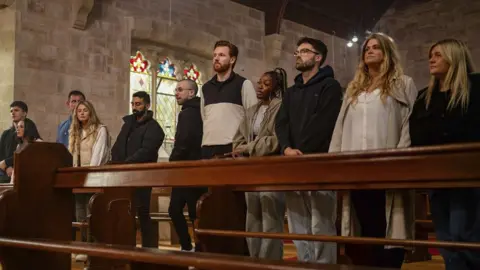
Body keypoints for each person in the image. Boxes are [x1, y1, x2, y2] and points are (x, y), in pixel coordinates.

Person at [329, 32, 417, 268]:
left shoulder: (403, 83)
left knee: (388, 226)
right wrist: (334, 161)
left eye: (376, 47)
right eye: (367, 47)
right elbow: (340, 126)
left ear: (387, 52)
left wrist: (400, 155)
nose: (369, 50)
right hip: (356, 168)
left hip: (389, 166)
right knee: (364, 228)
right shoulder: (354, 88)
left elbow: (410, 123)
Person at [409, 38, 480, 270]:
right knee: (445, 237)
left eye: (438, 55)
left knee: (464, 234)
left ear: (455, 57)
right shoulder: (424, 96)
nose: (431, 59)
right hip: (437, 175)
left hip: (469, 174)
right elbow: (416, 132)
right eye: (431, 55)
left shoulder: (476, 88)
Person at [275, 37, 342, 263]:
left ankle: (323, 267)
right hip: (293, 162)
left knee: (321, 222)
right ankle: (305, 264)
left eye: (304, 51)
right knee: (298, 222)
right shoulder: (292, 91)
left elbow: (325, 122)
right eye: (297, 52)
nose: (298, 55)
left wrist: (301, 150)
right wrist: (286, 149)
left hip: (319, 162)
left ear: (318, 57)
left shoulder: (330, 86)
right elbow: (281, 122)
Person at [233, 68, 287, 260]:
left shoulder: (281, 107)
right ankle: (254, 260)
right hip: (251, 169)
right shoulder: (251, 111)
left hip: (271, 168)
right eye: (259, 83)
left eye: (266, 84)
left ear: (276, 87)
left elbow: (276, 140)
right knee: (253, 216)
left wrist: (248, 148)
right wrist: (239, 150)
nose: (260, 87)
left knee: (270, 216)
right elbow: (238, 140)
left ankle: (269, 261)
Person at [111, 91, 165, 248]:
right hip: (124, 175)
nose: (135, 107)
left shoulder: (154, 128)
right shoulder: (128, 124)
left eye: (138, 104)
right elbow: (118, 145)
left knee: (142, 211)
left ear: (147, 105)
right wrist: (115, 163)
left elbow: (147, 150)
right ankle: (125, 246)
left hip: (142, 175)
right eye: (133, 104)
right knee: (124, 210)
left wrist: (128, 163)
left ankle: (148, 249)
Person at [68, 100, 110, 262]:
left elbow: (99, 154)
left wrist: (90, 175)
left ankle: (94, 248)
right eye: (79, 111)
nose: (82, 113)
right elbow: (71, 154)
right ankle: (84, 247)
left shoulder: (100, 130)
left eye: (85, 110)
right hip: (77, 178)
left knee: (92, 212)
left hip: (93, 176)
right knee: (80, 215)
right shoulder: (75, 131)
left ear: (91, 112)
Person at [168, 79, 207, 252]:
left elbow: (184, 141)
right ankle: (189, 245)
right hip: (189, 168)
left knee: (190, 212)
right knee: (177, 210)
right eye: (176, 90)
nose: (176, 93)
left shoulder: (189, 113)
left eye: (180, 90)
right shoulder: (194, 110)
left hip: (188, 168)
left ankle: (195, 247)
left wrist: (172, 161)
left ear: (191, 93)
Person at [200, 40, 257, 159]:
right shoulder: (206, 87)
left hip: (233, 147)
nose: (216, 58)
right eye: (215, 55)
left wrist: (246, 147)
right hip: (207, 146)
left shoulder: (243, 84)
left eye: (221, 55)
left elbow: (253, 119)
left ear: (232, 60)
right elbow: (204, 117)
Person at [0, 101, 40, 182]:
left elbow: (28, 153)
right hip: (6, 173)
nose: (13, 113)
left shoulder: (31, 130)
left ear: (24, 113)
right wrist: (7, 167)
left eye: (16, 110)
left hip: (24, 172)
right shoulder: (6, 134)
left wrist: (8, 162)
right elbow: (1, 153)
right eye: (11, 111)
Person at [7, 119, 43, 184]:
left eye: (21, 127)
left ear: (28, 128)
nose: (18, 129)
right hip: (20, 180)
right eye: (17, 127)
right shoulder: (19, 146)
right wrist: (12, 183)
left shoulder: (38, 143)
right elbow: (16, 167)